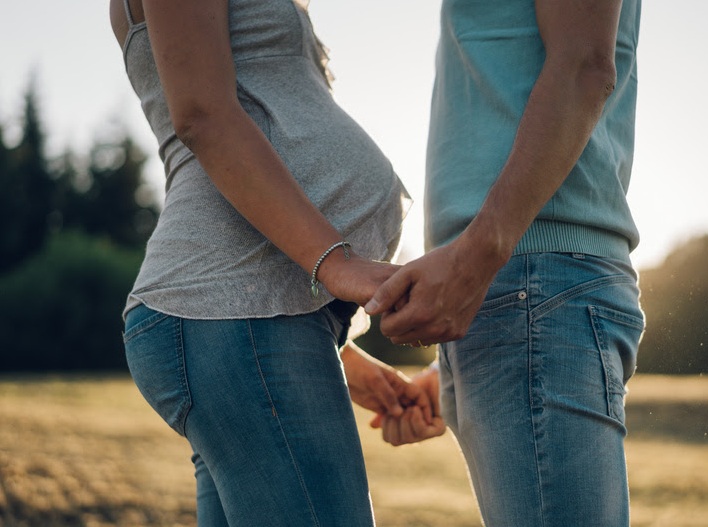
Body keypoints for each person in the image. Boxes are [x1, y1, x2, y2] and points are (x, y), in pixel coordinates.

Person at [109, 0, 429, 525]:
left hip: (250, 322)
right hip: (233, 314)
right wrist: (336, 263)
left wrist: (341, 353)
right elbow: (203, 115)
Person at [365, 0, 646, 525]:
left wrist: (479, 262)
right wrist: (454, 359)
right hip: (519, 290)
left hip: (528, 281)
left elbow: (585, 66)